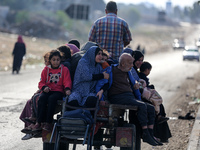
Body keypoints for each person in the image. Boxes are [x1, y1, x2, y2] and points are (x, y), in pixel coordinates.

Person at [96, 53, 163, 146]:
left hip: (129, 97)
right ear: (123, 64)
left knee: (151, 108)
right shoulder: (111, 70)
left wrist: (138, 96)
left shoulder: (128, 72)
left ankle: (150, 134)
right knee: (142, 106)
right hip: (118, 97)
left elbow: (134, 86)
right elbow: (100, 85)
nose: (132, 65)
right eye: (130, 63)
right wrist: (102, 99)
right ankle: (145, 133)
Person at [125, 48, 172, 143]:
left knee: (158, 105)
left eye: (142, 60)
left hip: (138, 93)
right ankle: (153, 134)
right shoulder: (129, 70)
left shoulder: (134, 70)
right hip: (134, 95)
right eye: (138, 60)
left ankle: (159, 134)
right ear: (133, 59)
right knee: (151, 107)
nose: (140, 62)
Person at [32, 50, 72, 131]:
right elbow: (41, 82)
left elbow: (67, 81)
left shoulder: (64, 70)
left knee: (52, 99)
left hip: (58, 91)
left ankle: (48, 123)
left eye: (58, 60)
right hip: (47, 90)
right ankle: (39, 122)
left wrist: (67, 89)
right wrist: (44, 87)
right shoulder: (46, 70)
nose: (56, 62)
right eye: (54, 60)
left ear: (60, 60)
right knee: (42, 98)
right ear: (50, 60)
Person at [20, 52, 50, 140]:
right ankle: (30, 127)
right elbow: (41, 83)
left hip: (50, 92)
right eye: (45, 61)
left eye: (47, 61)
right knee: (30, 101)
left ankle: (36, 124)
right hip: (43, 90)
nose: (46, 63)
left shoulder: (56, 70)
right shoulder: (46, 69)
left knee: (37, 99)